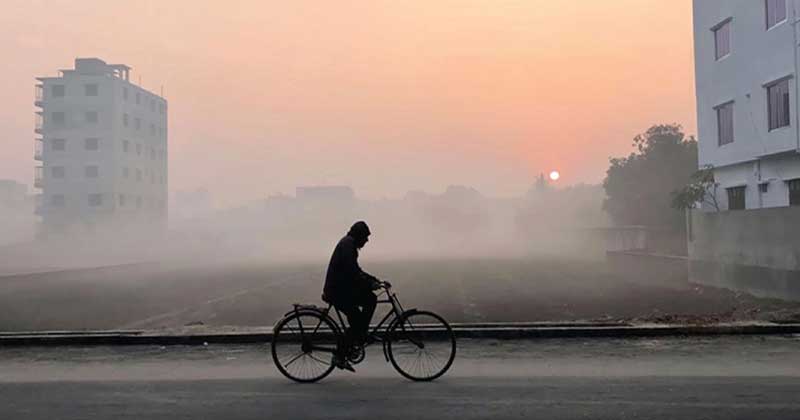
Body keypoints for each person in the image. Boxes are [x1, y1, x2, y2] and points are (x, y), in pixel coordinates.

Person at [322, 221, 381, 372]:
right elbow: (353, 273)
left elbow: (355, 271)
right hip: (337, 292)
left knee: (369, 301)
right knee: (362, 309)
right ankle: (341, 354)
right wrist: (370, 284)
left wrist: (373, 280)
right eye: (366, 237)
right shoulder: (348, 246)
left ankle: (360, 334)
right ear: (359, 235)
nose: (367, 241)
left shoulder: (348, 243)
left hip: (340, 289)